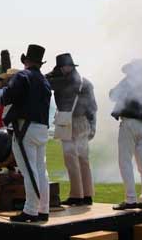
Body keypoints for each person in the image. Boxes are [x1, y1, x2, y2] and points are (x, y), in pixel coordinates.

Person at [1, 44, 51, 222]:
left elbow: (8, 97)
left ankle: (30, 210)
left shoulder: (22, 76)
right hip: (41, 128)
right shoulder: (44, 81)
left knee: (29, 170)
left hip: (25, 129)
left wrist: (4, 89)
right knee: (40, 170)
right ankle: (43, 209)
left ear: (26, 61)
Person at [46, 53, 97, 206]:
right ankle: (87, 194)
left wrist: (54, 72)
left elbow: (44, 80)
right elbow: (93, 107)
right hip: (83, 122)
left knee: (71, 159)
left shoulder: (61, 81)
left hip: (67, 121)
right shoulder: (85, 82)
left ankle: (76, 195)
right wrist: (93, 126)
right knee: (83, 159)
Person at [110, 59, 142, 210]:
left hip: (130, 123)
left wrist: (127, 78)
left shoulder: (129, 82)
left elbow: (112, 95)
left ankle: (130, 199)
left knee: (125, 162)